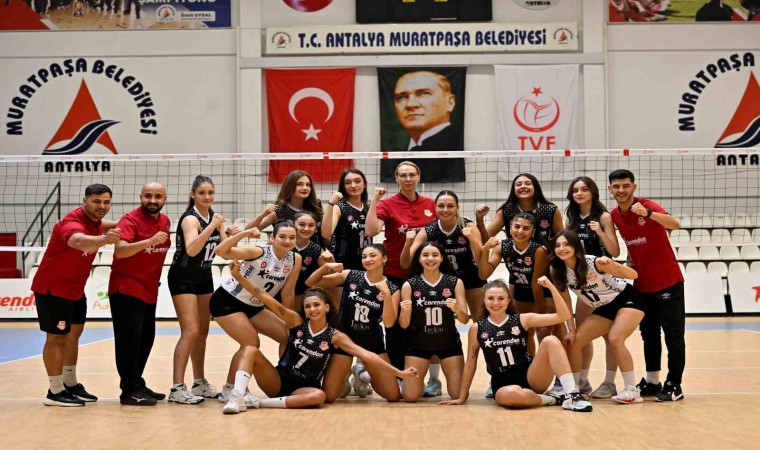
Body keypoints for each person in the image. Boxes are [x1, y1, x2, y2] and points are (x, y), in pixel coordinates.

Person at [219, 270, 418, 413]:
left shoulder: (335, 336)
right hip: (277, 380)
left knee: (319, 397)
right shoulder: (296, 322)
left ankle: (258, 403)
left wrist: (398, 372)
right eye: (308, 306)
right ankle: (237, 397)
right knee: (251, 349)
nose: (312, 309)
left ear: (326, 307)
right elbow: (264, 297)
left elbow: (367, 355)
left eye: (316, 305)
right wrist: (239, 277)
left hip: (303, 389)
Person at [438, 278, 592, 412]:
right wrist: (462, 397)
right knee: (514, 395)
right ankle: (553, 399)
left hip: (532, 377)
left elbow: (563, 316)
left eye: (500, 298)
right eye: (491, 298)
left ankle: (572, 395)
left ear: (508, 300)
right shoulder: (477, 328)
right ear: (484, 300)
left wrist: (551, 287)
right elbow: (471, 364)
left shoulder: (522, 319)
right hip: (502, 384)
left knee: (550, 341)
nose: (495, 303)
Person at [32, 183, 120, 407]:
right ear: (85, 201)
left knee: (73, 335)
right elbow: (77, 241)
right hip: (54, 290)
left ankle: (70, 383)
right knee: (56, 338)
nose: (102, 206)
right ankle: (54, 391)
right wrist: (105, 240)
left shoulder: (96, 222)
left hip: (75, 290)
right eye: (96, 201)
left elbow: (116, 225)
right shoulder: (71, 222)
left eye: (106, 202)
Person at [608, 169, 685, 402]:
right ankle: (652, 381)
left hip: (668, 281)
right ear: (610, 189)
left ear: (634, 187)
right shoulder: (614, 215)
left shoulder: (647, 205)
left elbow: (675, 224)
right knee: (649, 334)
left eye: (626, 185)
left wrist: (649, 214)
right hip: (642, 284)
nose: (621, 190)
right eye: (616, 186)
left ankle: (675, 384)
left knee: (673, 335)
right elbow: (633, 242)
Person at [365, 161, 439, 393]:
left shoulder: (431, 204)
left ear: (419, 177)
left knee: (427, 326)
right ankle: (398, 374)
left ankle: (433, 379)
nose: (408, 179)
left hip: (425, 275)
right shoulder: (387, 204)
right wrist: (374, 200)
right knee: (395, 327)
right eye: (403, 175)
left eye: (412, 175)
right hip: (395, 274)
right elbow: (371, 230)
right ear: (396, 178)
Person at [549, 230, 646, 404]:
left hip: (627, 298)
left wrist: (613, 264)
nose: (561, 248)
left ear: (576, 247)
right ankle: (575, 389)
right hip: (605, 306)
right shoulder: (558, 270)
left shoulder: (593, 262)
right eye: (557, 245)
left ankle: (632, 390)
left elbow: (633, 275)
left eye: (566, 244)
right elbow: (566, 302)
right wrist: (571, 329)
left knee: (615, 339)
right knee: (575, 341)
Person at [210, 222, 300, 406]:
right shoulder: (258, 252)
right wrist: (244, 234)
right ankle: (229, 389)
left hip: (254, 305)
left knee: (287, 335)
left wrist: (288, 320)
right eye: (282, 237)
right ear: (272, 238)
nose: (287, 241)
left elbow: (288, 293)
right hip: (228, 300)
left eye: (292, 237)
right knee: (251, 342)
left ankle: (284, 377)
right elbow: (220, 251)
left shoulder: (294, 258)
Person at [168, 175, 234, 404]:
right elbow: (192, 249)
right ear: (193, 195)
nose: (207, 196)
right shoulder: (190, 219)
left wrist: (231, 235)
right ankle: (177, 388)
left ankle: (199, 383)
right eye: (202, 193)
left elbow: (224, 252)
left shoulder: (214, 219)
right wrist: (214, 226)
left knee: (203, 332)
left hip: (204, 277)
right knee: (190, 330)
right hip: (183, 277)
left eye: (210, 192)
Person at [306, 244, 402, 402]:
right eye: (364, 256)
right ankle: (344, 378)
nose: (367, 259)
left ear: (384, 258)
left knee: (393, 396)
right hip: (345, 340)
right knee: (329, 397)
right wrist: (325, 268)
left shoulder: (392, 289)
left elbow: (389, 322)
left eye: (373, 255)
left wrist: (386, 294)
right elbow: (311, 283)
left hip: (372, 341)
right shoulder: (350, 275)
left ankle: (362, 373)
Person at [109, 182, 171, 406]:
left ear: (164, 199)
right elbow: (120, 251)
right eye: (148, 196)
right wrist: (150, 241)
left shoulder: (165, 221)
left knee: (145, 340)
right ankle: (129, 391)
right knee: (129, 341)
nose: (152, 200)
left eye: (158, 196)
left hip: (148, 289)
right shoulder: (130, 220)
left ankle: (137, 383)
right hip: (126, 288)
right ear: (140, 197)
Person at [565, 176, 621, 398]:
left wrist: (600, 232)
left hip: (605, 283)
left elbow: (615, 251)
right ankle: (582, 381)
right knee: (582, 335)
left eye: (584, 189)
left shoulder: (603, 216)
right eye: (575, 190)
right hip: (584, 284)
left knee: (610, 336)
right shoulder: (571, 219)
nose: (579, 193)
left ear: (593, 193)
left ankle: (609, 383)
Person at [399, 241, 469, 403]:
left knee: (458, 395)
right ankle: (418, 384)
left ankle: (430, 382)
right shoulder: (410, 284)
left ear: (442, 258)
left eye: (435, 255)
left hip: (448, 343)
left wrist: (457, 309)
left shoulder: (454, 282)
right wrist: (405, 311)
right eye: (425, 255)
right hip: (418, 344)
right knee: (410, 397)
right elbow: (404, 324)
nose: (430, 258)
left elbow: (465, 319)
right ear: (419, 259)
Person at [401, 190, 484, 320]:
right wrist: (407, 244)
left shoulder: (467, 226)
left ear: (457, 208)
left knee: (480, 320)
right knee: (442, 320)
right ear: (435, 208)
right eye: (441, 206)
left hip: (471, 277)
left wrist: (473, 240)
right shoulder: (429, 230)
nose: (445, 210)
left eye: (450, 206)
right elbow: (405, 264)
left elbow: (481, 260)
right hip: (444, 281)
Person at [478, 212, 549, 357]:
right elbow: (484, 274)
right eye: (517, 227)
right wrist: (485, 249)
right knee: (525, 333)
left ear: (533, 231)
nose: (520, 231)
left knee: (544, 333)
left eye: (526, 228)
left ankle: (551, 368)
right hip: (520, 292)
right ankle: (528, 365)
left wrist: (541, 313)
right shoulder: (502, 247)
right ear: (510, 227)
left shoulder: (539, 250)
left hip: (543, 293)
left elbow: (536, 284)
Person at [386, 70, 465, 183]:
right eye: (401, 97)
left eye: (423, 93)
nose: (411, 104)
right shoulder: (400, 155)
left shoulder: (456, 144)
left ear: (450, 102)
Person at [476, 173, 564, 244]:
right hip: (516, 258)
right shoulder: (506, 210)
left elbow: (563, 239)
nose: (523, 186)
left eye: (528, 183)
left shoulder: (550, 210)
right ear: (513, 189)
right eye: (518, 184)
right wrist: (479, 218)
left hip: (545, 256)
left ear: (535, 187)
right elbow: (484, 240)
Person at [247, 170, 324, 247]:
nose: (305, 188)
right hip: (286, 251)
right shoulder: (279, 209)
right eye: (299, 184)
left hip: (314, 251)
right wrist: (262, 215)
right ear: (289, 186)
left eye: (308, 185)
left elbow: (325, 232)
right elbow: (247, 232)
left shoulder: (316, 205)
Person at [321, 168, 372, 271]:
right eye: (348, 183)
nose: (353, 185)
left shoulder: (369, 208)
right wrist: (331, 204)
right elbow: (326, 234)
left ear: (364, 184)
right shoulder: (339, 207)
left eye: (357, 181)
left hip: (366, 262)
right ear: (343, 186)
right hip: (343, 263)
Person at [292, 211, 334, 310]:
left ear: (316, 228)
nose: (306, 229)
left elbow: (330, 274)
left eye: (311, 225)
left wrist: (331, 261)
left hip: (304, 294)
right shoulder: (285, 244)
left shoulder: (317, 249)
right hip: (279, 291)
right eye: (302, 224)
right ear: (293, 225)